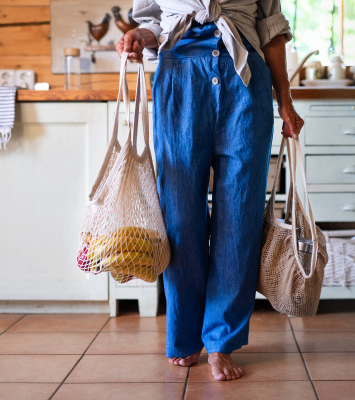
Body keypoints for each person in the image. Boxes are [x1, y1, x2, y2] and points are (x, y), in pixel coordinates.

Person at [116, 0, 303, 381]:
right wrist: (140, 36)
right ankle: (184, 335)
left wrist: (285, 98)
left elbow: (270, 28)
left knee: (239, 219)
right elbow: (153, 23)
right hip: (179, 81)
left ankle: (221, 342)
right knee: (180, 219)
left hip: (246, 81)